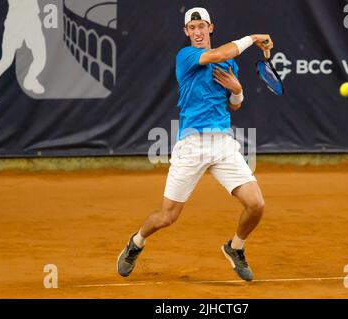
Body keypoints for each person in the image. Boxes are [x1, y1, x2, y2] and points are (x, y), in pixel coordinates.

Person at [117, 7, 273, 281]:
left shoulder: (228, 63)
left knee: (256, 204)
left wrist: (238, 91)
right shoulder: (187, 56)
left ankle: (235, 247)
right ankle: (137, 242)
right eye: (193, 28)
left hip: (223, 144)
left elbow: (235, 105)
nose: (198, 32)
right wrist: (252, 37)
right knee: (167, 217)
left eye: (202, 26)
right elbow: (220, 54)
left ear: (210, 28)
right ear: (186, 32)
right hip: (191, 145)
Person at [0, 0, 46, 101]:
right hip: (15, 20)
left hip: (32, 19)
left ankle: (30, 79)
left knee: (41, 57)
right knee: (6, 60)